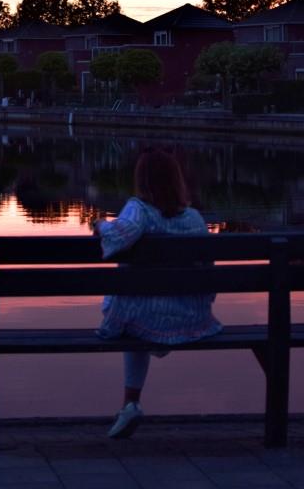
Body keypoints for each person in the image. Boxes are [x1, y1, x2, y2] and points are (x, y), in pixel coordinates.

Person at [93, 148, 221, 439]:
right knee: (139, 307)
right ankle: (129, 405)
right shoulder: (195, 219)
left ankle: (131, 402)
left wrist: (99, 224)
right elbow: (209, 272)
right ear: (177, 181)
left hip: (143, 319)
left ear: (142, 181)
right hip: (191, 319)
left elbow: (117, 236)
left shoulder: (139, 209)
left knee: (131, 313)